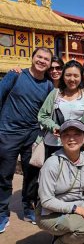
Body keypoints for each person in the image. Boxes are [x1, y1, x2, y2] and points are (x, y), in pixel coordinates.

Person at [0, 47, 53, 233]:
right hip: (8, 132)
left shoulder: (48, 85)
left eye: (46, 59)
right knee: (4, 175)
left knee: (31, 175)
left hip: (33, 134)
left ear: (49, 63)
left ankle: (28, 207)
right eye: (39, 56)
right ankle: (2, 213)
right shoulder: (15, 75)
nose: (42, 61)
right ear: (32, 57)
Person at [35, 119, 84, 244]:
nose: (71, 139)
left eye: (77, 134)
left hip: (78, 212)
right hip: (51, 214)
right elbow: (46, 200)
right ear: (61, 139)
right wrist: (76, 209)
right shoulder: (52, 163)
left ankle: (63, 237)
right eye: (66, 135)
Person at [38, 60, 84, 159]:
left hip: (75, 144)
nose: (72, 79)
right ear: (63, 76)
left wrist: (75, 128)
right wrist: (54, 127)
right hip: (53, 144)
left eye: (76, 76)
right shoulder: (55, 93)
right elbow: (42, 116)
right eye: (68, 75)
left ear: (81, 77)